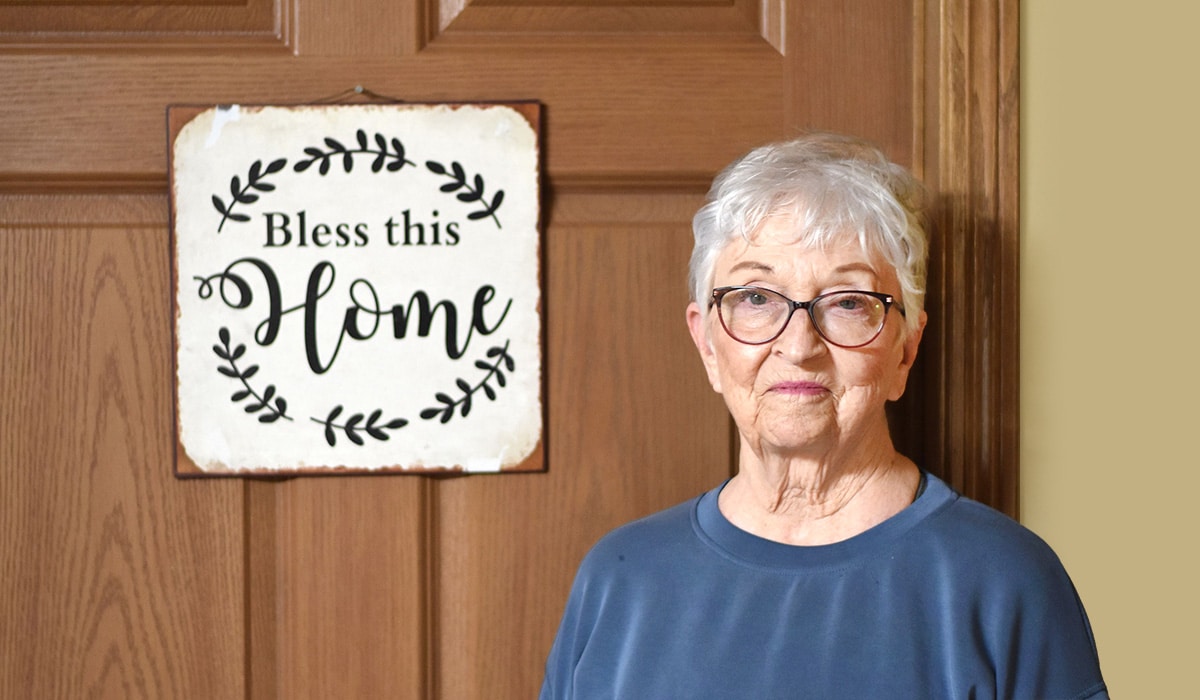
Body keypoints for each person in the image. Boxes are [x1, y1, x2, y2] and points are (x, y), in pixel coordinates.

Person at [540, 133, 1107, 699]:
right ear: (708, 346)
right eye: (756, 298)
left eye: (848, 303)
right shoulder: (619, 582)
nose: (798, 345)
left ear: (905, 350)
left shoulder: (1006, 584)